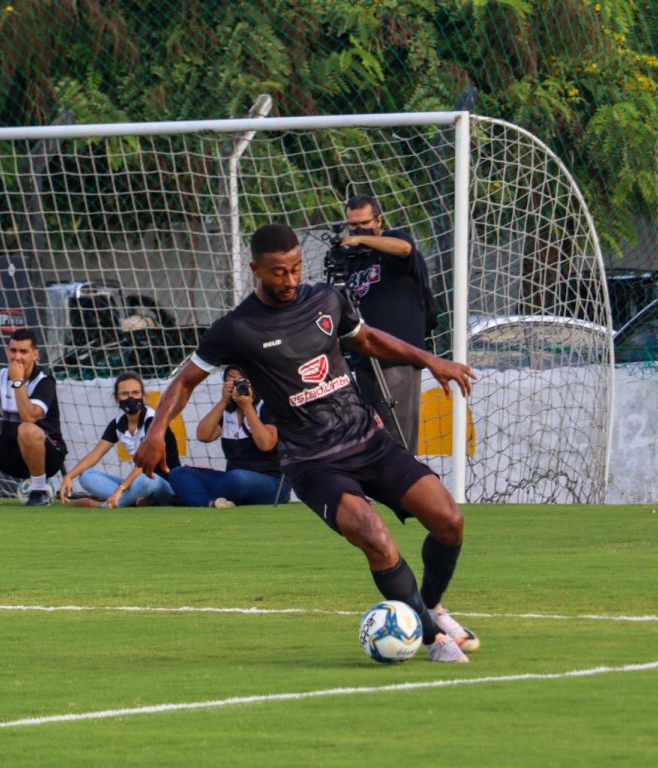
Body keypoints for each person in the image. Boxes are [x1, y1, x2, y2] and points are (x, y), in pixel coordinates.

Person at [135, 223, 479, 663]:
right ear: (257, 268)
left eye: (296, 268)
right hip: (313, 462)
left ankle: (426, 606)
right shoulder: (236, 328)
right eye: (278, 272)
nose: (290, 280)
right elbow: (185, 381)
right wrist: (154, 433)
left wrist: (429, 358)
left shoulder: (327, 300)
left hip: (368, 440)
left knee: (449, 520)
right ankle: (433, 639)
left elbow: (369, 339)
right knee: (375, 537)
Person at [339, 194, 436, 454]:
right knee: (371, 433)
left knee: (398, 436)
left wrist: (361, 238)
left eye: (364, 223)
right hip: (364, 354)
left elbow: (405, 249)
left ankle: (407, 489)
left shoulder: (394, 240)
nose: (357, 229)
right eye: (352, 225)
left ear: (378, 219)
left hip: (397, 355)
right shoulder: (354, 259)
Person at [0, 328, 67, 507]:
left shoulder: (44, 381)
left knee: (26, 428)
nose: (17, 357)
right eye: (13, 350)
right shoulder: (2, 377)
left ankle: (39, 491)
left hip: (48, 457)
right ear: (7, 351)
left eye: (23, 352)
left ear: (35, 354)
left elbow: (29, 417)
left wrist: (18, 382)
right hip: (12, 456)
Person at [167, 364, 290, 508]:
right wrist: (223, 401)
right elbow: (203, 435)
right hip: (231, 480)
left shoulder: (266, 407)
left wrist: (247, 407)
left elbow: (266, 444)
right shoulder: (227, 411)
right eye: (231, 379)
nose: (238, 385)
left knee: (237, 479)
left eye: (242, 380)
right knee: (179, 473)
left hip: (269, 482)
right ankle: (211, 503)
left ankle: (194, 499)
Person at [59, 371, 178, 509]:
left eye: (135, 393)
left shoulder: (153, 421)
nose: (131, 398)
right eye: (125, 394)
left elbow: (144, 467)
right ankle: (135, 500)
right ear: (117, 398)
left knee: (143, 481)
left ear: (143, 395)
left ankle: (101, 504)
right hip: (135, 483)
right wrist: (68, 476)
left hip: (162, 482)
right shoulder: (117, 424)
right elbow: (95, 455)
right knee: (86, 476)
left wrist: (120, 489)